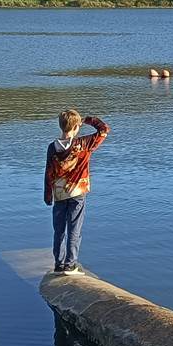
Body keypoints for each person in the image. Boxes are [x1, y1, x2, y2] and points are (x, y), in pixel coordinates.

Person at [44, 108, 108, 274]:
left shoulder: (52, 147)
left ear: (60, 126)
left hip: (59, 193)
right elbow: (104, 129)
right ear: (76, 127)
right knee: (74, 228)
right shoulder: (84, 144)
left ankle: (58, 264)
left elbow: (48, 172)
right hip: (77, 193)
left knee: (59, 230)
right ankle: (70, 265)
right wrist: (87, 119)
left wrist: (47, 194)